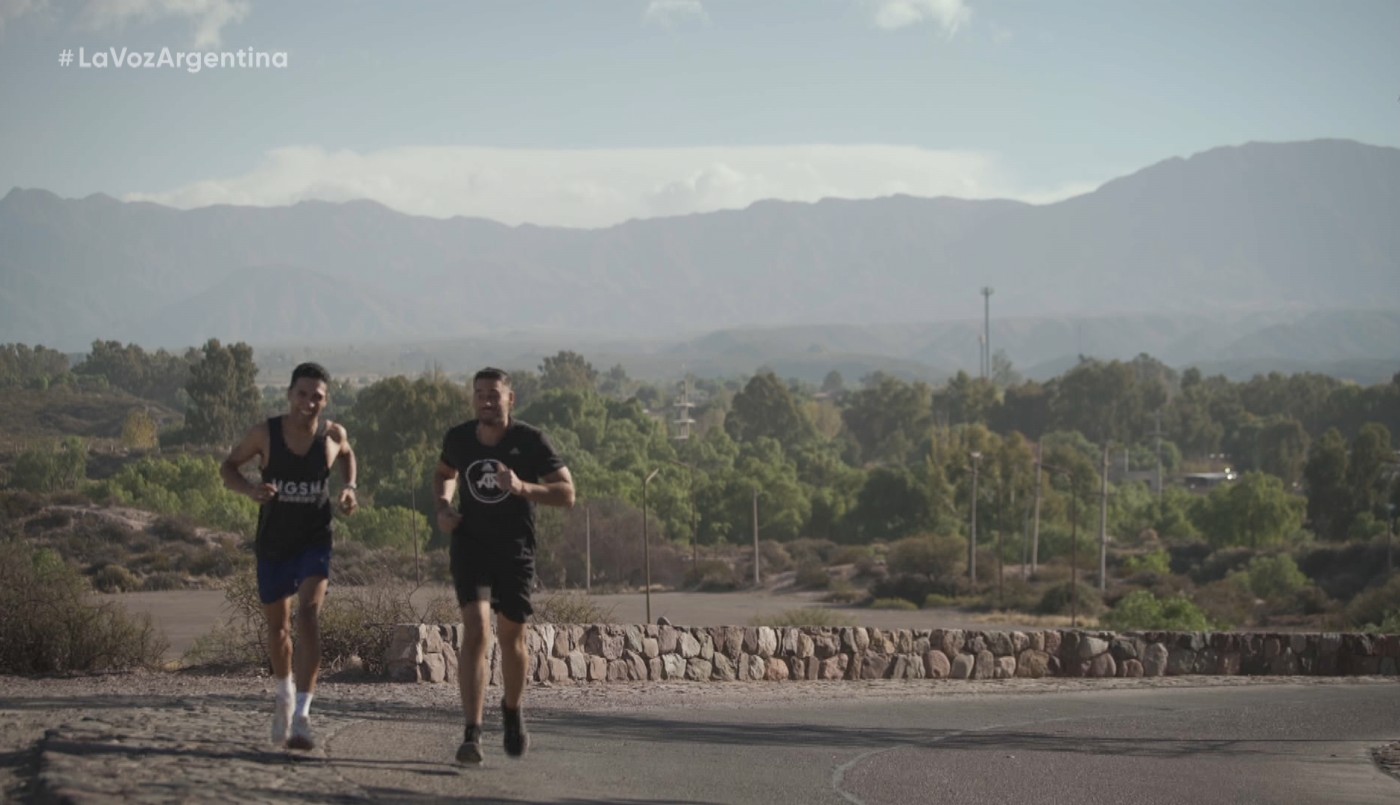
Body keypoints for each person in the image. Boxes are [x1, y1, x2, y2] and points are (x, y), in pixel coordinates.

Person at [434, 367, 574, 764]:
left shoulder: (530, 442)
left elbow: (567, 493)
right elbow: (445, 473)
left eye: (494, 394)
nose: (486, 401)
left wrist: (522, 488)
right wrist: (443, 507)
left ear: (511, 399)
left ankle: (511, 710)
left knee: (512, 637)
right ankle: (472, 733)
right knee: (476, 631)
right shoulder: (459, 438)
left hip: (514, 549)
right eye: (480, 393)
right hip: (470, 546)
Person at [219, 362, 357, 751]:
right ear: (290, 394)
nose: (308, 402)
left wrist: (349, 488)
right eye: (302, 394)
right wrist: (250, 490)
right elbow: (227, 467)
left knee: (309, 616)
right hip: (274, 543)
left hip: (315, 540)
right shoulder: (265, 434)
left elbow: (348, 454)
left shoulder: (331, 436)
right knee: (279, 629)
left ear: (325, 400)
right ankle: (283, 696)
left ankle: (303, 716)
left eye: (317, 396)